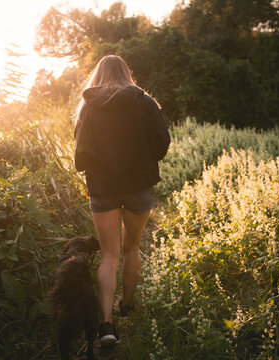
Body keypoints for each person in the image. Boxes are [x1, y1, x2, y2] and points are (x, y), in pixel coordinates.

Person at [74, 55, 170, 347]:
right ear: (127, 73)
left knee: (109, 255)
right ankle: (127, 309)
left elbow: (80, 159)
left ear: (98, 75)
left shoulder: (88, 107)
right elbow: (162, 144)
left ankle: (106, 326)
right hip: (140, 186)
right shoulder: (145, 102)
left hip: (103, 188)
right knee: (131, 248)